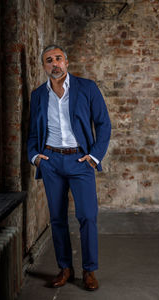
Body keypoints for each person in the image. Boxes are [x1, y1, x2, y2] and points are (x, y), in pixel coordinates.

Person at [27, 44, 111, 291]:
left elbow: (103, 124)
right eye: (49, 60)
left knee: (87, 216)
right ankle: (65, 268)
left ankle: (89, 271)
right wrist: (36, 157)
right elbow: (32, 133)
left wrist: (94, 156)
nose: (55, 63)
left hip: (80, 161)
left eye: (58, 58)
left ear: (66, 62)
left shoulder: (87, 88)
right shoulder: (38, 95)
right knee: (57, 218)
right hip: (51, 162)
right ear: (44, 66)